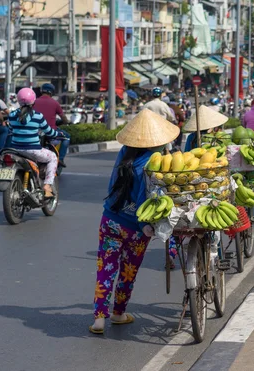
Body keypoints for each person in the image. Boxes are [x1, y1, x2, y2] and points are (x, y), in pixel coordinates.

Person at [89, 109, 180, 335]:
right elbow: (144, 200)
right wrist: (145, 226)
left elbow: (114, 185)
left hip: (110, 219)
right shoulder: (152, 163)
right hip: (136, 229)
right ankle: (118, 313)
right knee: (128, 271)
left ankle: (99, 319)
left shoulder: (124, 152)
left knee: (105, 268)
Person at [7, 88, 61, 198]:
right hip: (33, 150)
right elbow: (48, 131)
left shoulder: (12, 115)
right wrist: (57, 134)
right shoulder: (38, 116)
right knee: (53, 157)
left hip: (15, 150)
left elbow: (11, 130)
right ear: (33, 101)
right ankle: (47, 186)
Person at [33, 83, 71, 166]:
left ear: (41, 91)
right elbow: (63, 118)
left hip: (35, 131)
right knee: (67, 137)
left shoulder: (34, 102)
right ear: (52, 92)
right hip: (50, 132)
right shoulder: (55, 103)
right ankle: (60, 159)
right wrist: (67, 122)